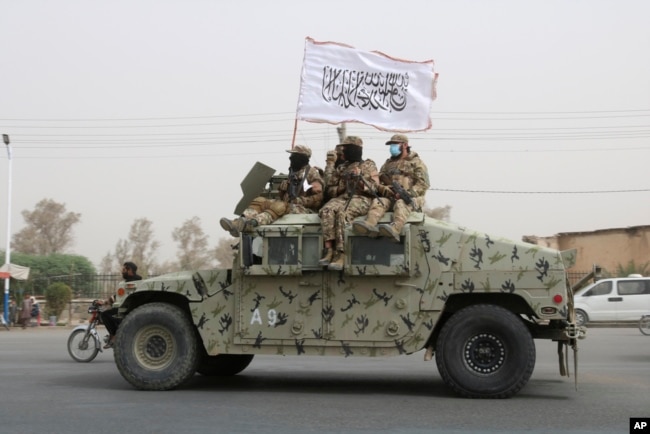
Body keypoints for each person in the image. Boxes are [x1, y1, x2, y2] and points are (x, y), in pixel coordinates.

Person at [220, 145, 324, 237]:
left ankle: (252, 224)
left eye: (294, 156)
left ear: (302, 157)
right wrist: (283, 190)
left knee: (279, 207)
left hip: (305, 210)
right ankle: (238, 223)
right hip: (290, 206)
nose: (290, 158)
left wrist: (301, 200)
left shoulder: (311, 172)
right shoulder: (293, 173)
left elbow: (319, 197)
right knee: (259, 201)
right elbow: (286, 196)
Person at [352, 134, 430, 242]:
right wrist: (385, 189)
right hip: (391, 197)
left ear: (405, 145)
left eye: (395, 144)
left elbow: (423, 184)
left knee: (401, 204)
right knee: (378, 202)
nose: (391, 148)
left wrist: (408, 193)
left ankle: (395, 229)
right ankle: (370, 225)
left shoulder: (416, 163)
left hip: (411, 199)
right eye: (391, 145)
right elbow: (379, 180)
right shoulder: (388, 164)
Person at [318, 136, 380, 270]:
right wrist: (343, 185)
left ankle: (341, 253)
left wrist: (360, 179)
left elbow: (375, 188)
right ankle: (329, 250)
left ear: (354, 149)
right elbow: (330, 189)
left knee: (342, 213)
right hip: (343, 197)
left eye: (346, 148)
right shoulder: (341, 168)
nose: (343, 151)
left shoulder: (369, 165)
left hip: (362, 198)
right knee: (326, 210)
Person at [99, 261, 142, 348]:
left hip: (128, 309)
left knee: (105, 314)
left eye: (123, 269)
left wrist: (104, 302)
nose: (122, 271)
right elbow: (118, 296)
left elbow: (118, 297)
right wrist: (106, 302)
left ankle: (114, 336)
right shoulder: (137, 280)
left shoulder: (131, 282)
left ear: (129, 270)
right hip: (130, 308)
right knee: (112, 314)